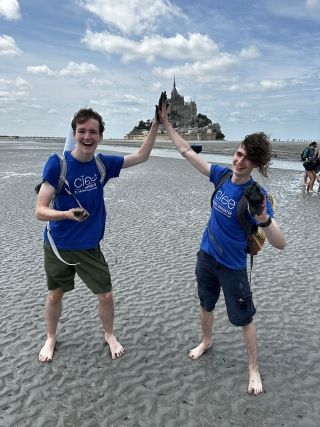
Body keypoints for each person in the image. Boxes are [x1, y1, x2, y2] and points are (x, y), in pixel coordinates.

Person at [158, 102, 286, 395]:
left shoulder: (256, 195)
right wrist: (166, 124)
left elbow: (280, 243)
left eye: (247, 158)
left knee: (245, 318)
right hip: (206, 256)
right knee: (205, 303)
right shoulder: (223, 176)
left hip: (232, 266)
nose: (239, 160)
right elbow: (187, 152)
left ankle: (253, 367)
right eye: (239, 153)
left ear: (256, 164)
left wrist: (264, 218)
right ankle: (206, 341)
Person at [36, 106, 159, 363]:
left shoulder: (103, 164)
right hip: (58, 244)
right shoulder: (57, 165)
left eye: (93, 132)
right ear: (74, 133)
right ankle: (50, 337)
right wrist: (67, 214)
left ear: (101, 136)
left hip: (88, 246)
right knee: (55, 294)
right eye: (82, 131)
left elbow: (142, 155)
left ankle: (109, 334)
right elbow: (40, 211)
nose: (87, 136)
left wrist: (156, 124)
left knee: (106, 295)